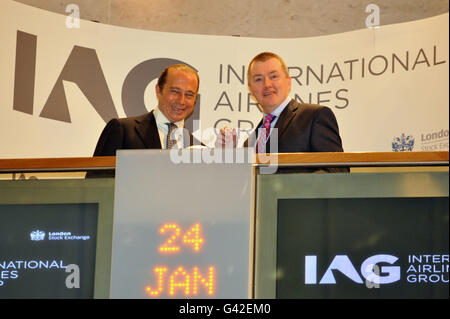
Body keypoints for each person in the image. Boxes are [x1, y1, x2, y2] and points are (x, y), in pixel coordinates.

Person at [216, 52, 348, 173]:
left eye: (273, 76)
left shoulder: (315, 116)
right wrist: (230, 155)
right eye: (258, 79)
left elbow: (336, 173)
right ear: (250, 89)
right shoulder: (251, 141)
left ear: (288, 82)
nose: (267, 84)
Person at [87, 64, 200, 177]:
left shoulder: (200, 150)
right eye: (175, 92)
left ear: (195, 99)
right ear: (158, 91)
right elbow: (95, 185)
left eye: (189, 95)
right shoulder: (122, 130)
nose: (182, 101)